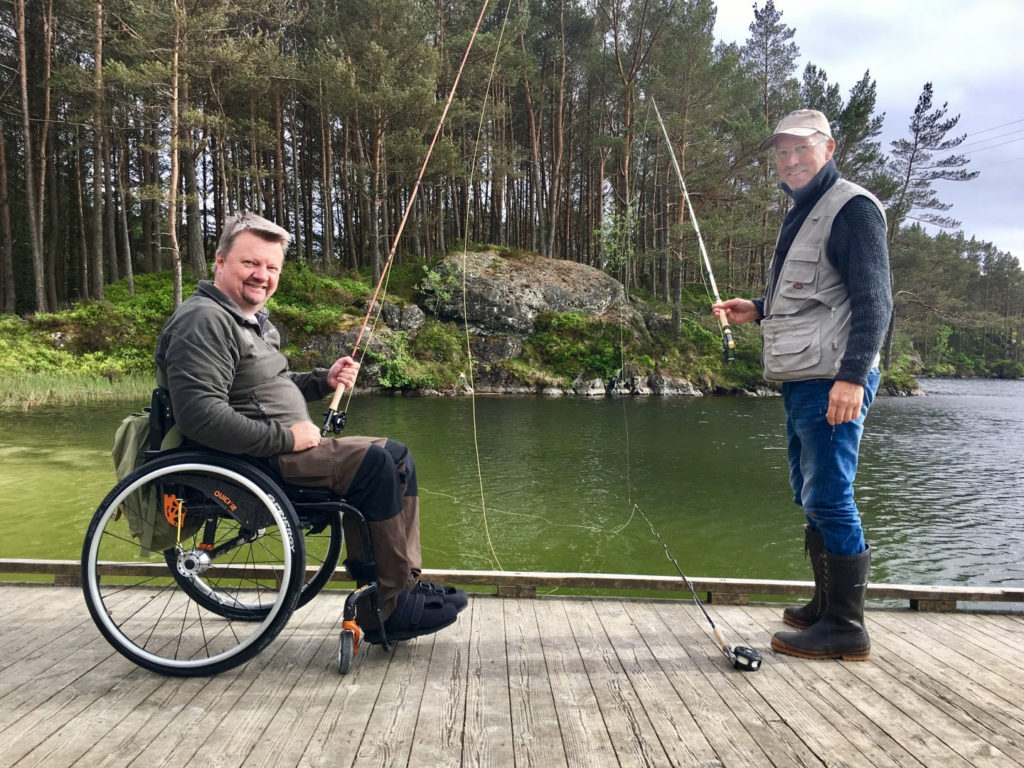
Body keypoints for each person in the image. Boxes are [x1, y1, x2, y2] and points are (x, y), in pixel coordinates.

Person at [155, 211, 466, 644]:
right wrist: (288, 437)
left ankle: (397, 585)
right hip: (255, 462)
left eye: (271, 267)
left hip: (277, 452)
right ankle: (390, 608)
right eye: (251, 263)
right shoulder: (203, 320)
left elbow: (267, 387)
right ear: (220, 262)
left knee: (396, 456)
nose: (262, 276)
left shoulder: (249, 321)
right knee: (375, 465)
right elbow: (201, 416)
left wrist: (323, 380)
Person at [712, 109, 892, 661]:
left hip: (834, 378)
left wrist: (853, 378)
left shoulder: (852, 209)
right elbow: (816, 300)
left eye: (800, 149)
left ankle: (845, 627)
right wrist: (759, 309)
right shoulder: (804, 211)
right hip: (806, 378)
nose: (789, 161)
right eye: (781, 152)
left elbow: (875, 302)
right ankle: (824, 604)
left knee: (832, 496)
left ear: (829, 147)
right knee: (809, 492)